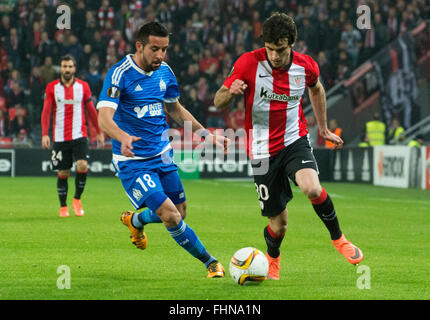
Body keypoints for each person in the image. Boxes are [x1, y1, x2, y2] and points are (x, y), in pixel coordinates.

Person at [214, 12, 363, 280]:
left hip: (294, 139)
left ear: (291, 43)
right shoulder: (248, 63)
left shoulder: (306, 66)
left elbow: (316, 89)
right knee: (278, 225)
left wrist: (324, 127)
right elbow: (218, 100)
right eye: (270, 49)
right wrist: (230, 91)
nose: (274, 55)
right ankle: (272, 258)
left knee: (311, 187)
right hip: (260, 151)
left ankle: (339, 239)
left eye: (280, 49)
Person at [96, 22, 228, 279]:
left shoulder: (165, 72)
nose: (160, 55)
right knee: (170, 215)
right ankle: (210, 262)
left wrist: (205, 135)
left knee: (180, 212)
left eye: (164, 49)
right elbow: (104, 118)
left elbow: (175, 109)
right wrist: (123, 137)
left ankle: (135, 221)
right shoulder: (119, 74)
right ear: (139, 46)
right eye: (154, 49)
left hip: (162, 154)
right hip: (133, 161)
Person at [41, 54, 105, 218]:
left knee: (82, 165)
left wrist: (98, 131)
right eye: (64, 66)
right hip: (60, 137)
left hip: (79, 134)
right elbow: (46, 111)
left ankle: (77, 200)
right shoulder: (52, 87)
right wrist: (44, 134)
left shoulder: (83, 87)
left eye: (70, 66)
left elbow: (91, 110)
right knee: (63, 172)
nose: (67, 69)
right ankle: (63, 206)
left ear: (74, 68)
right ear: (60, 68)